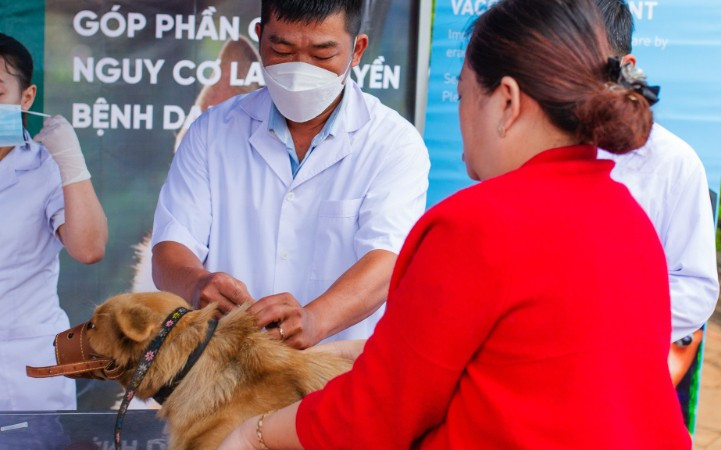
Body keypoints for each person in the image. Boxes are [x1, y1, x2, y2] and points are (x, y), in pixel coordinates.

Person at [220, 0, 691, 448]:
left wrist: (252, 434)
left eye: (463, 94)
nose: (462, 115)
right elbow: (478, 357)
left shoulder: (476, 225)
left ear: (506, 102)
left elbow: (374, 415)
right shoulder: (630, 217)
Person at [151, 0, 430, 349]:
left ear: (357, 50)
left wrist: (315, 319)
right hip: (225, 365)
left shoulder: (393, 143)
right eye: (282, 51)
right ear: (260, 38)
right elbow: (171, 248)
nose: (300, 71)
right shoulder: (211, 132)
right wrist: (195, 283)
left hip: (336, 369)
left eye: (322, 54)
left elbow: (387, 260)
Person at [595, 0, 720, 383]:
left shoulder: (674, 162)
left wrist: (603, 318)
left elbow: (695, 288)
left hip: (621, 374)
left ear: (624, 68)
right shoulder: (529, 146)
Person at [0, 33, 107, 411]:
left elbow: (90, 249)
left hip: (24, 364)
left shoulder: (46, 167)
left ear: (26, 98)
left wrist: (71, 164)